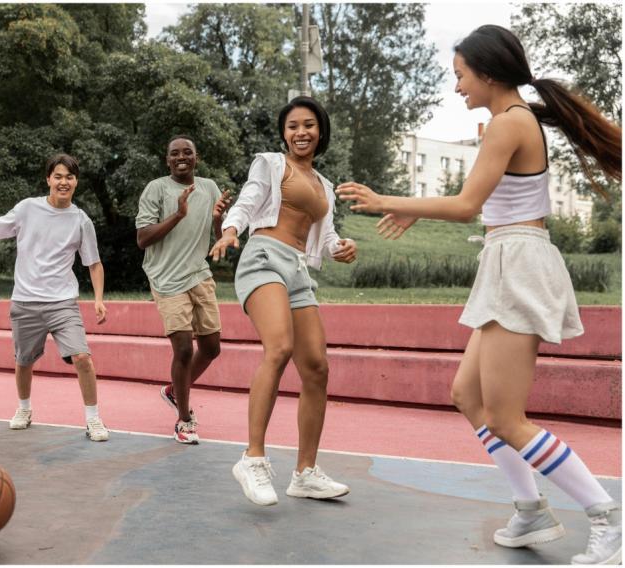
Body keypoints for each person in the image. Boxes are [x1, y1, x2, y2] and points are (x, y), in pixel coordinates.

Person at [337, 25, 621, 565]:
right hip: (507, 258)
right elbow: (486, 203)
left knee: (508, 417)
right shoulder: (512, 122)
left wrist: (385, 200)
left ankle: (607, 517)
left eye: (461, 76)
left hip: (518, 264)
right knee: (468, 396)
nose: (457, 87)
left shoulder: (509, 123)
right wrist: (412, 210)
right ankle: (531, 508)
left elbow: (467, 205)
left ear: (488, 72)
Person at [209, 96, 358, 506]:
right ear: (284, 133)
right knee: (279, 347)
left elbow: (324, 240)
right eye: (292, 126)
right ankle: (252, 459)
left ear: (320, 131)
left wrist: (343, 246)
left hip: (297, 269)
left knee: (317, 368)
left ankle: (305, 473)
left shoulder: (323, 185)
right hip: (263, 257)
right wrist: (231, 229)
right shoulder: (271, 164)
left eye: (308, 125)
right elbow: (249, 199)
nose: (300, 132)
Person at [0, 153, 111, 442]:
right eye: (57, 176)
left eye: (69, 177)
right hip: (25, 301)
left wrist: (98, 298)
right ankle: (24, 409)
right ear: (48, 179)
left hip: (62, 303)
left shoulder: (81, 220)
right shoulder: (27, 209)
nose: (63, 182)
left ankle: (93, 419)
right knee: (23, 361)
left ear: (76, 182)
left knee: (83, 357)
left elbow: (93, 263)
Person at [136, 135, 231, 444]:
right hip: (166, 279)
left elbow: (218, 237)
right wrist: (177, 214)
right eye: (174, 153)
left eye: (187, 152)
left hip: (199, 274)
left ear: (196, 157)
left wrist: (218, 221)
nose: (181, 157)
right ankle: (184, 420)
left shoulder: (210, 187)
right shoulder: (156, 189)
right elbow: (142, 239)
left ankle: (175, 391)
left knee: (212, 347)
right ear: (167, 160)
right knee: (183, 349)